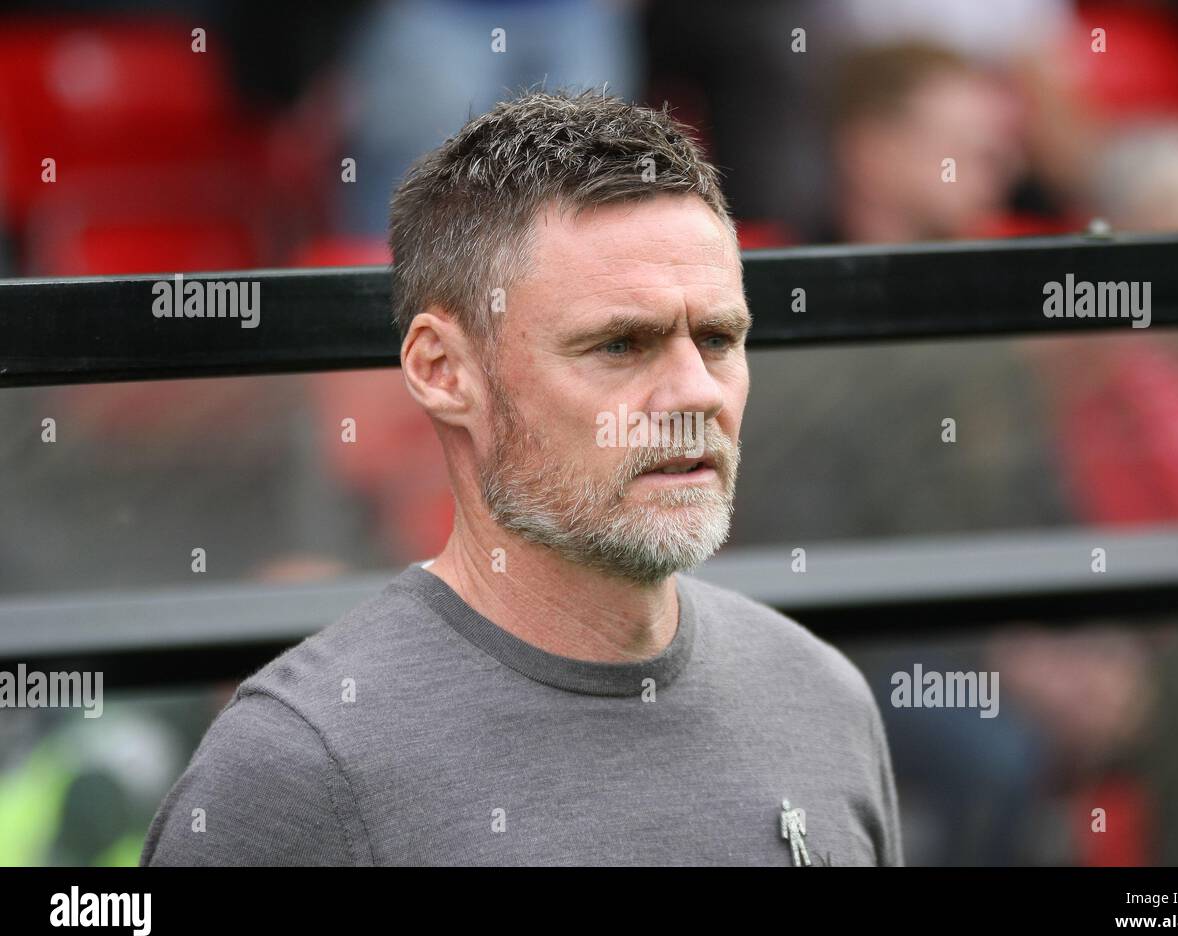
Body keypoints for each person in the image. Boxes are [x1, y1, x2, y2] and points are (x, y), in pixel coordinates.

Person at [140, 88, 903, 866]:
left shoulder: (820, 698)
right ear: (443, 371)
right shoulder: (298, 768)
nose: (697, 392)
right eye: (620, 345)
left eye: (716, 338)